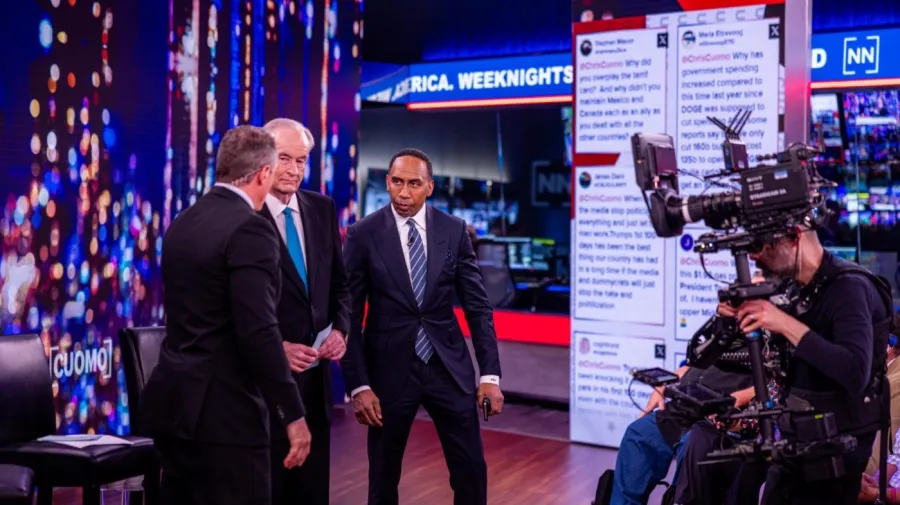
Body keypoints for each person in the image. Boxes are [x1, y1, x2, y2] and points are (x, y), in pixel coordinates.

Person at [142, 125, 311, 505]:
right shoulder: (251, 229)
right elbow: (259, 331)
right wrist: (293, 414)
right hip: (226, 416)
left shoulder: (183, 222)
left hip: (173, 409)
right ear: (263, 174)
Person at [340, 148, 504, 505]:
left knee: (471, 471)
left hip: (447, 367)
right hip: (388, 371)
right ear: (387, 182)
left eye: (414, 184)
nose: (403, 192)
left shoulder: (454, 230)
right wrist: (358, 384)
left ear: (429, 187)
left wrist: (489, 375)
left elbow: (477, 307)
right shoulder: (362, 234)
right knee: (383, 478)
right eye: (397, 182)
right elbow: (348, 314)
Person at [734, 226, 893, 505]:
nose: (755, 258)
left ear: (795, 237)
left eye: (764, 249)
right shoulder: (794, 286)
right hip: (796, 437)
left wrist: (784, 323)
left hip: (838, 448)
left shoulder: (849, 287)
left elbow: (855, 371)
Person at [259, 118, 351, 505]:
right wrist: (275, 346)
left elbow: (341, 286)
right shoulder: (244, 214)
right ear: (263, 159)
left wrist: (341, 331)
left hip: (316, 385)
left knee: (311, 491)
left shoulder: (321, 208)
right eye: (284, 159)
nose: (295, 170)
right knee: (269, 488)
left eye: (301, 160)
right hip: (263, 387)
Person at [610, 305, 755, 505]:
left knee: (693, 444)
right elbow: (692, 365)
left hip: (719, 418)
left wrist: (739, 398)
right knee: (639, 432)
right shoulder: (722, 332)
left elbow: (778, 384)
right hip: (688, 406)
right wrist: (666, 382)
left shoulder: (771, 339)